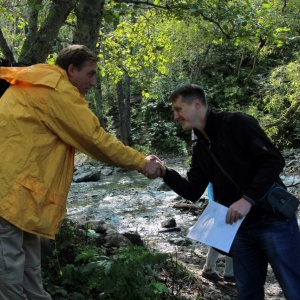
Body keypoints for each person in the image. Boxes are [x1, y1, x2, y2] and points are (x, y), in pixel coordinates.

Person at [0, 45, 161, 299]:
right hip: (8, 197)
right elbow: (94, 139)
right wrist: (141, 162)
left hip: (19, 197)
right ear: (71, 70)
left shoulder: (38, 80)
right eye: (90, 74)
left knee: (28, 269)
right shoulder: (55, 89)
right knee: (9, 275)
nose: (94, 83)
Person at [154, 84, 300, 299]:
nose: (175, 116)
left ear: (196, 104)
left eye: (178, 109)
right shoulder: (200, 147)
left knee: (294, 288)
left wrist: (247, 199)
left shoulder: (236, 123)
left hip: (273, 221)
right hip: (238, 229)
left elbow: (273, 160)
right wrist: (165, 172)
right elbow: (193, 190)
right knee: (247, 294)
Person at [201, 183, 235, 283]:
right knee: (230, 236)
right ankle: (229, 273)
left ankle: (209, 269)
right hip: (225, 204)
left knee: (220, 237)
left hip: (219, 203)